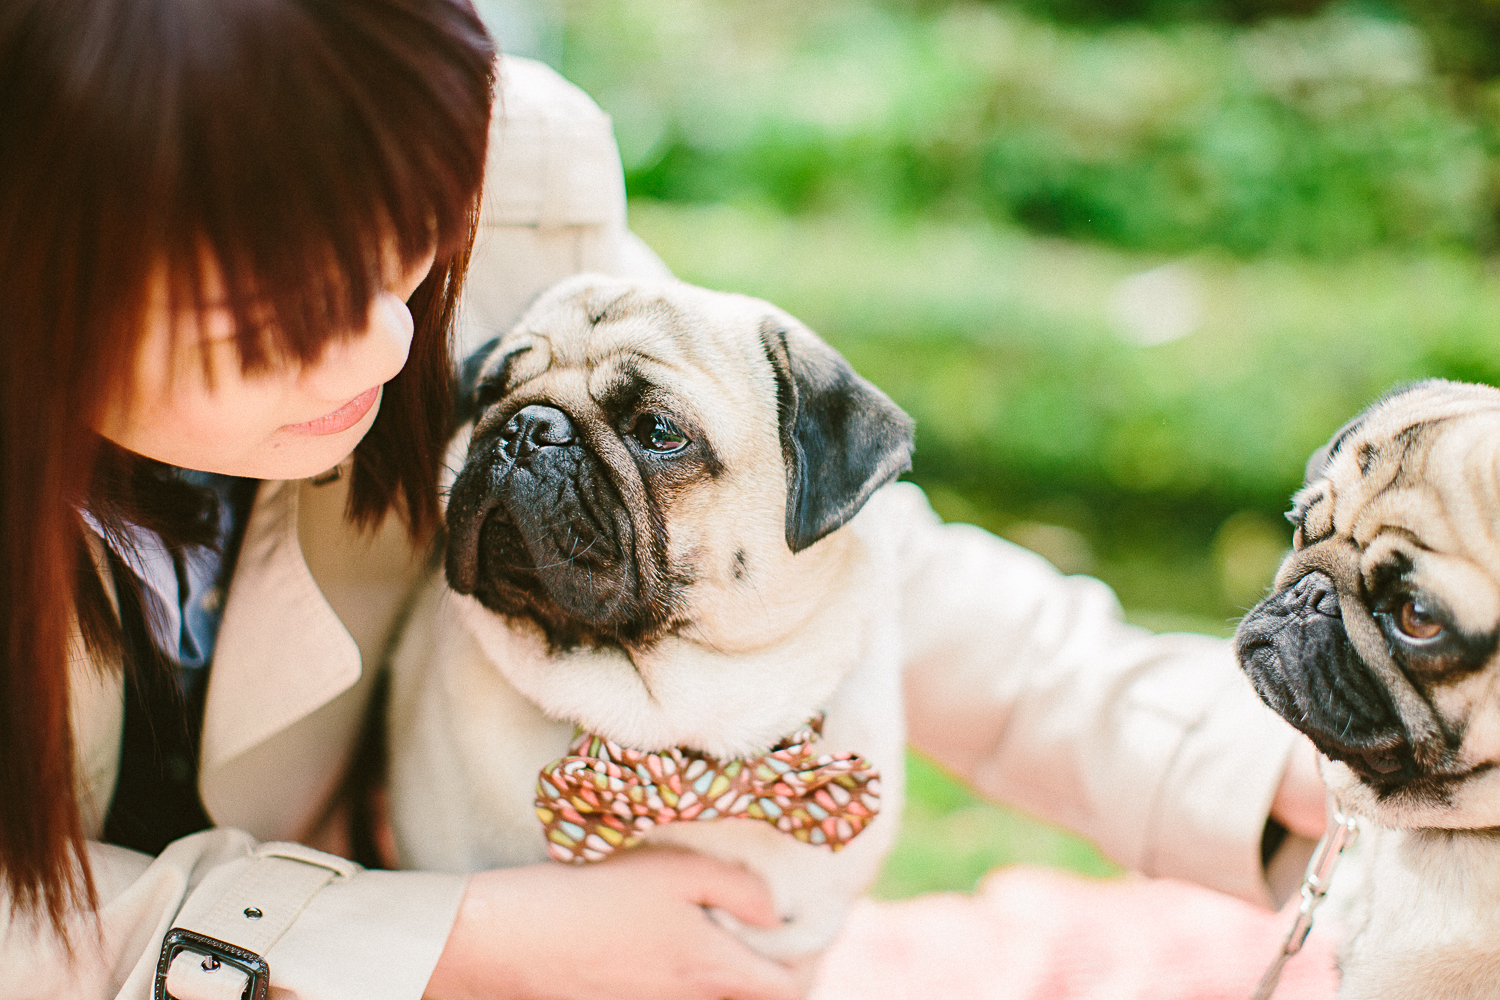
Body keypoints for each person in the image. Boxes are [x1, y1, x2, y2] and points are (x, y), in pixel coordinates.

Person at [0, 1, 1324, 998]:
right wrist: (461, 940)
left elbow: (827, 550)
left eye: (410, 250)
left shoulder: (507, 192)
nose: (385, 346)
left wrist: (1256, 762)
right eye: (270, 320)